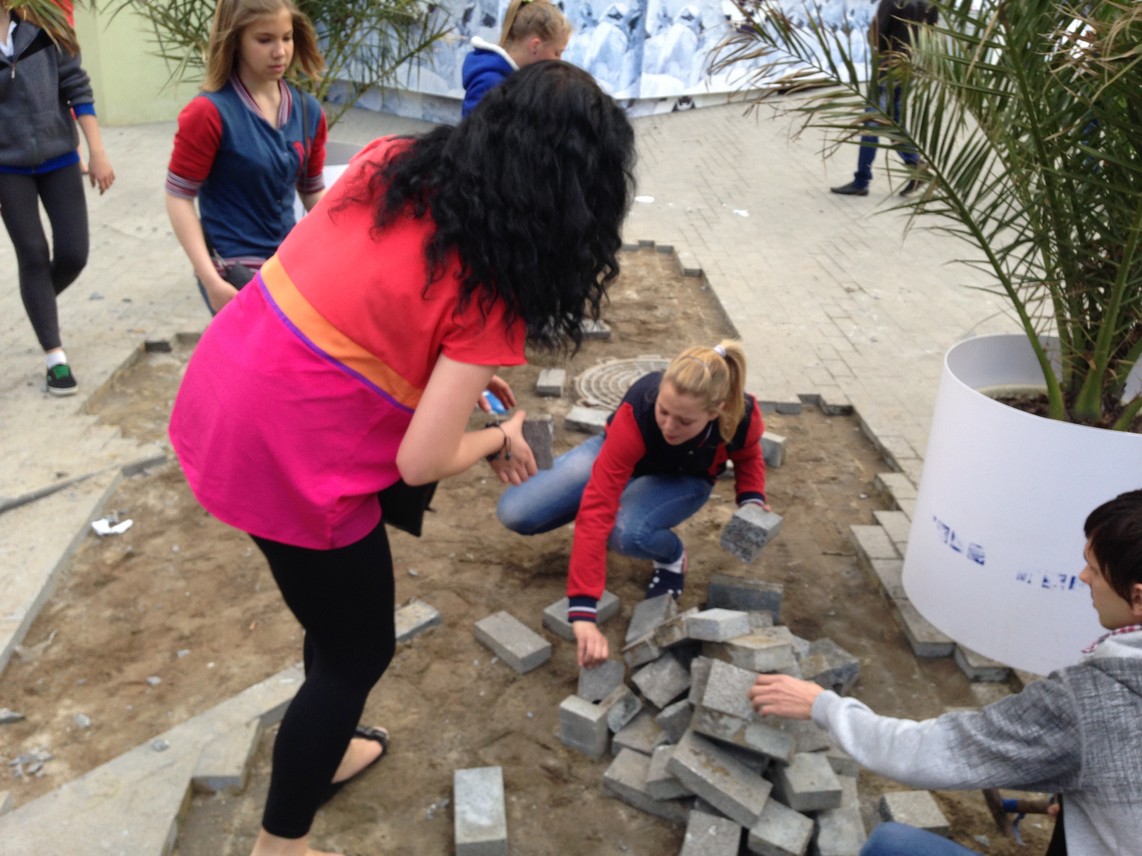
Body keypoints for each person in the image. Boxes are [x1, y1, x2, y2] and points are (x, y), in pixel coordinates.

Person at [168, 61, 636, 856]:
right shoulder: (491, 291)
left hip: (222, 394)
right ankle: (280, 844)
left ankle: (327, 748)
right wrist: (499, 437)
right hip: (292, 461)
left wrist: (468, 389)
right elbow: (421, 462)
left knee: (333, 623)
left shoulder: (388, 164)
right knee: (359, 649)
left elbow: (370, 305)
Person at [748, 489, 1142, 856]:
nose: (1083, 577)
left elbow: (931, 751)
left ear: (1138, 597)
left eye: (1094, 570)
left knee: (890, 845)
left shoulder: (1092, 703)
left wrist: (822, 705)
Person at [497, 342, 769, 668]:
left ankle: (672, 557)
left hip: (684, 478)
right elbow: (596, 507)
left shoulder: (741, 414)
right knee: (515, 511)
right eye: (664, 412)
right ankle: (624, 487)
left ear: (715, 412)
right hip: (625, 454)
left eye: (684, 421)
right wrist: (583, 610)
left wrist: (752, 497)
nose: (669, 426)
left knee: (626, 532)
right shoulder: (640, 406)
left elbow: (748, 455)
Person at [165, 0, 327, 316]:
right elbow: (179, 197)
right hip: (232, 270)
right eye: (264, 40)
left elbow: (312, 191)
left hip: (287, 269)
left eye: (287, 37)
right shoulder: (208, 113)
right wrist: (210, 279)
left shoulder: (308, 111)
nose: (280, 51)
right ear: (235, 40)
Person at [0, 1, 114, 396]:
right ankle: (55, 357)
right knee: (33, 255)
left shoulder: (44, 26)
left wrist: (97, 151)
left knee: (73, 253)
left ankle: (38, 303)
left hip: (60, 158)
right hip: (7, 169)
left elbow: (75, 86)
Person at [830, 0, 936, 198]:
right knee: (893, 122)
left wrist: (873, 29)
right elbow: (931, 35)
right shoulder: (930, 3)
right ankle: (916, 166)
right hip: (908, 68)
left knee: (872, 122)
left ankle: (862, 181)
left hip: (887, 69)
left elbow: (877, 36)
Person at [460, 0, 571, 117]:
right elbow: (474, 127)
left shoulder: (517, 79)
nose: (559, 61)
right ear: (535, 46)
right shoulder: (491, 82)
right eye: (557, 53)